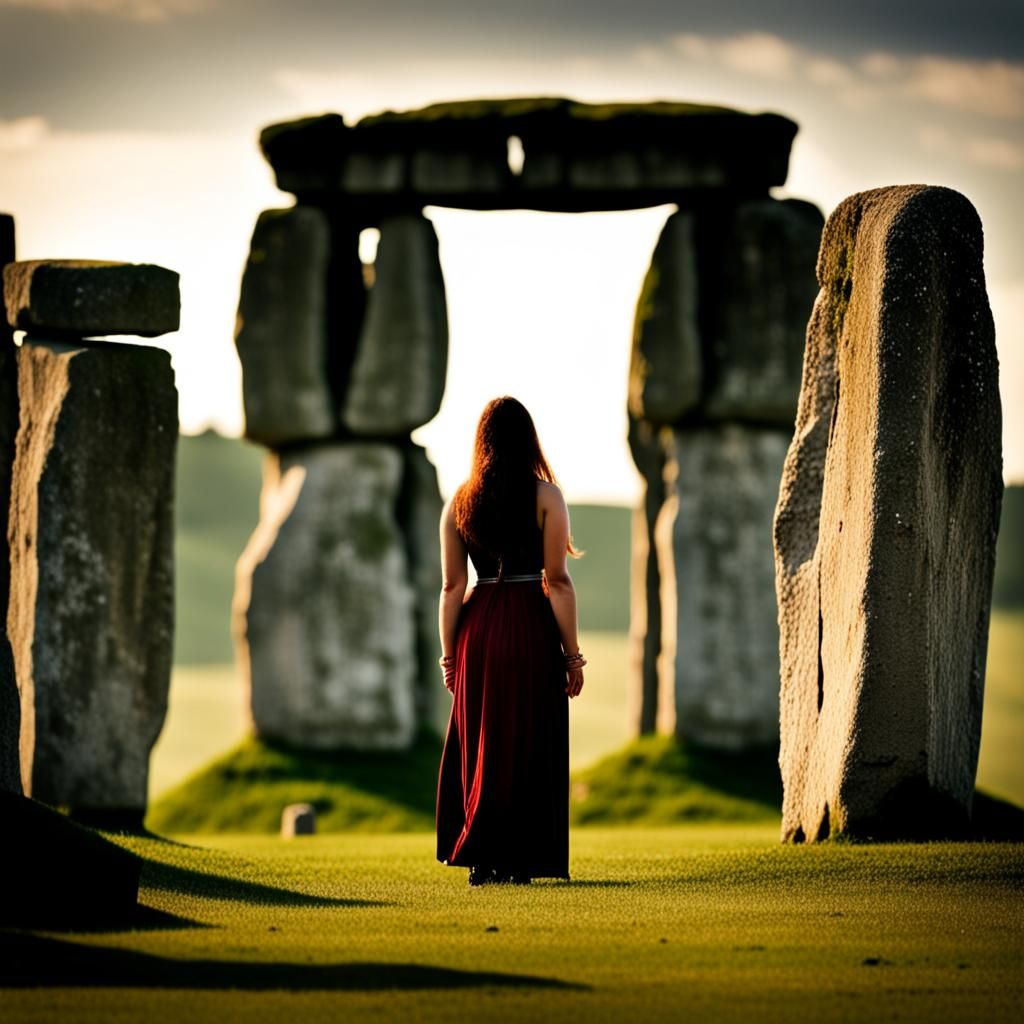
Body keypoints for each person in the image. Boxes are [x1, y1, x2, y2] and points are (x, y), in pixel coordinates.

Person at [435, 396, 586, 886]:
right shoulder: (547, 497)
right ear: (529, 438)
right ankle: (522, 858)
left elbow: (452, 587)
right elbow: (557, 581)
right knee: (527, 734)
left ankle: (482, 857)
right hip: (528, 624)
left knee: (483, 738)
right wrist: (572, 655)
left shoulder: (460, 501)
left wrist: (449, 654)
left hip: (477, 629)